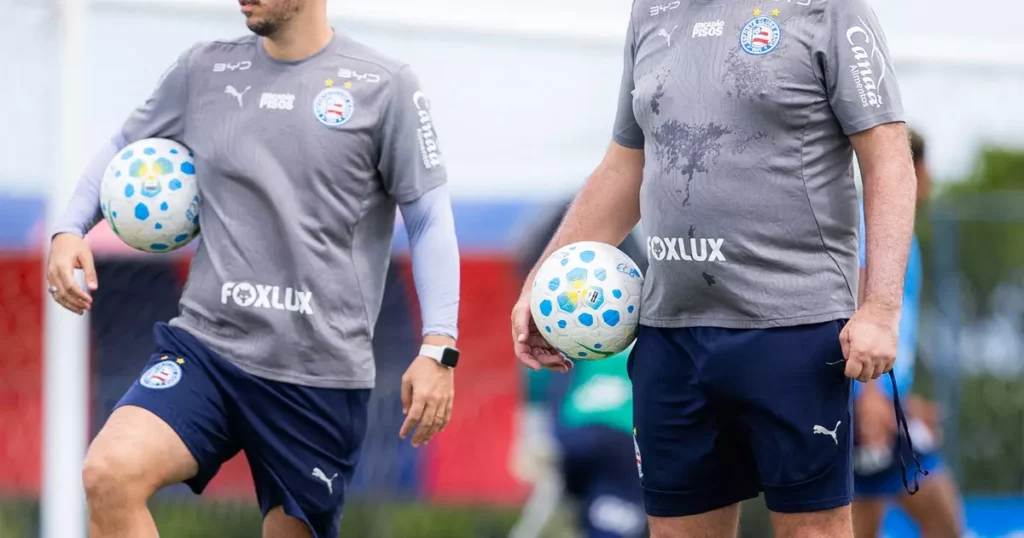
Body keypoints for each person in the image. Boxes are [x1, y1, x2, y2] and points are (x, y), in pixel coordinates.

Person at [46, 1, 461, 536]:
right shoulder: (204, 69)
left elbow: (428, 218)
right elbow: (126, 144)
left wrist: (438, 348)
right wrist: (69, 229)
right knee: (109, 473)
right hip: (208, 349)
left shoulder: (386, 86)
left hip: (317, 377)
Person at [510, 1, 920, 536]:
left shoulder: (829, 9)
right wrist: (543, 283)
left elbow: (888, 156)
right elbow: (623, 166)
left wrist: (882, 307)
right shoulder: (651, 11)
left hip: (795, 334)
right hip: (672, 340)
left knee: (813, 528)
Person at [509, 200, 648, 538]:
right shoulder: (647, 322)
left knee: (592, 514)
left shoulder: (576, 334)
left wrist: (532, 431)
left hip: (573, 433)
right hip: (625, 444)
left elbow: (538, 375)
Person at [852, 131, 965, 538]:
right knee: (945, 523)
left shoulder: (898, 232)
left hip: (878, 404)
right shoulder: (872, 229)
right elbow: (859, 312)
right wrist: (869, 400)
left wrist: (904, 401)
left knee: (861, 525)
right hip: (867, 408)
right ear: (910, 171)